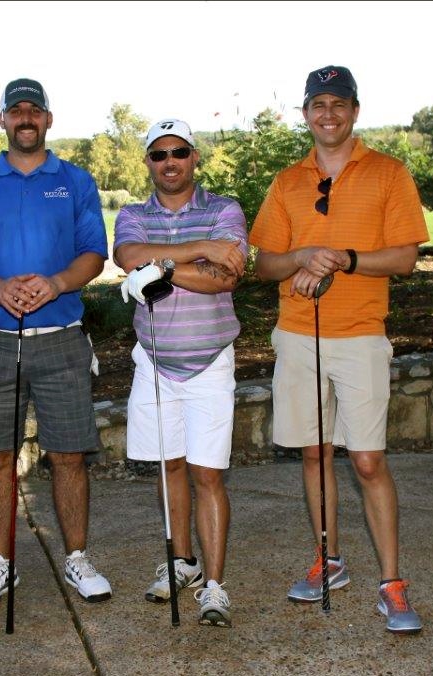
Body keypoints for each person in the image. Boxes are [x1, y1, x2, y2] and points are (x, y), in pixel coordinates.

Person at [249, 66, 428, 634]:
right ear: (305, 113)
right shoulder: (287, 181)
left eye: (338, 104)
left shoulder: (388, 172)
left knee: (368, 460)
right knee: (314, 453)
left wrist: (344, 259)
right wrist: (304, 256)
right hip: (298, 334)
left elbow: (404, 257)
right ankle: (329, 561)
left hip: (361, 335)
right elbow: (264, 264)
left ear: (355, 111)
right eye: (318, 104)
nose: (328, 114)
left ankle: (392, 583)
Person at [0, 78, 113, 609]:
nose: (25, 118)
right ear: (2, 120)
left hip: (61, 339)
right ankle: (0, 563)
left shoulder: (75, 181)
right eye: (15, 110)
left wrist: (57, 283)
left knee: (69, 456)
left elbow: (94, 253)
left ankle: (77, 557)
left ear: (48, 119)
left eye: (33, 110)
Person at [115, 119, 247, 628]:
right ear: (148, 162)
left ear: (194, 157)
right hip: (154, 361)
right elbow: (128, 257)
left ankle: (214, 585)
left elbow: (224, 277)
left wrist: (161, 267)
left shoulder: (224, 210)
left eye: (178, 152)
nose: (169, 162)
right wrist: (198, 250)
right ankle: (182, 563)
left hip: (209, 361)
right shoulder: (133, 214)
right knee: (169, 466)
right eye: (158, 154)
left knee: (207, 473)